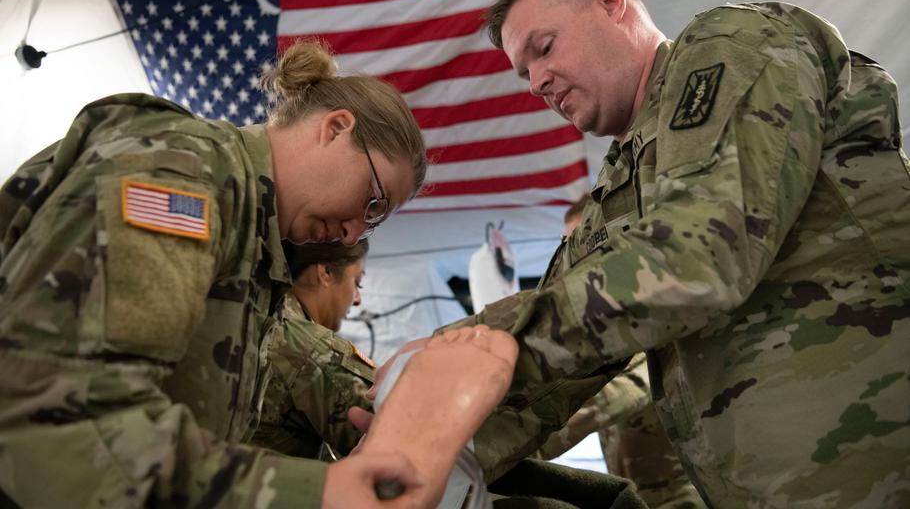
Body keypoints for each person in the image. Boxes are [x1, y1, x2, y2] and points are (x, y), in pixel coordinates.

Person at [377, 0, 910, 507]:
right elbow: (563, 361)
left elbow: (701, 255)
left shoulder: (730, 45)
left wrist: (467, 356)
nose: (535, 81)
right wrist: (407, 442)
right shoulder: (621, 182)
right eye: (523, 71)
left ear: (611, 3)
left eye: (544, 47)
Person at [0, 40, 429, 507]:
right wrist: (313, 494)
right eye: (372, 203)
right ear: (336, 128)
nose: (351, 236)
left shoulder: (251, 236)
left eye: (373, 223)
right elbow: (63, 410)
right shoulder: (183, 173)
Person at [536, 197, 704, 508]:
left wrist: (513, 447)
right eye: (566, 243)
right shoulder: (598, 333)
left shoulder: (643, 321)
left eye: (583, 243)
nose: (575, 258)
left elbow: (609, 398)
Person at [251, 239, 374, 459]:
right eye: (357, 282)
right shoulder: (311, 349)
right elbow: (403, 435)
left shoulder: (260, 312)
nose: (357, 299)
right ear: (326, 271)